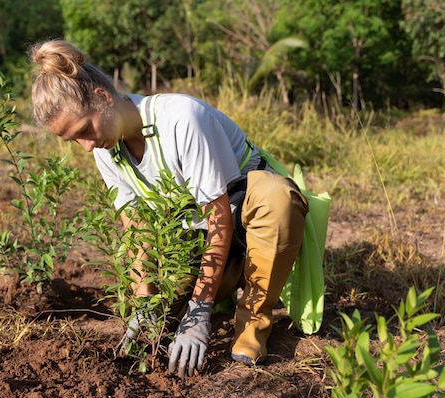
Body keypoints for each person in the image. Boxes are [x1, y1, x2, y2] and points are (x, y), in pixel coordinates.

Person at [29, 39, 309, 378]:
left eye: (85, 130)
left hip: (247, 222)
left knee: (276, 196)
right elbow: (136, 229)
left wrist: (199, 311)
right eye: (75, 140)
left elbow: (219, 216)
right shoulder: (107, 149)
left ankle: (253, 324)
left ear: (103, 99)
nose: (86, 147)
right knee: (162, 309)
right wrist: (145, 303)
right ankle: (214, 292)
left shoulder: (180, 118)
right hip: (203, 239)